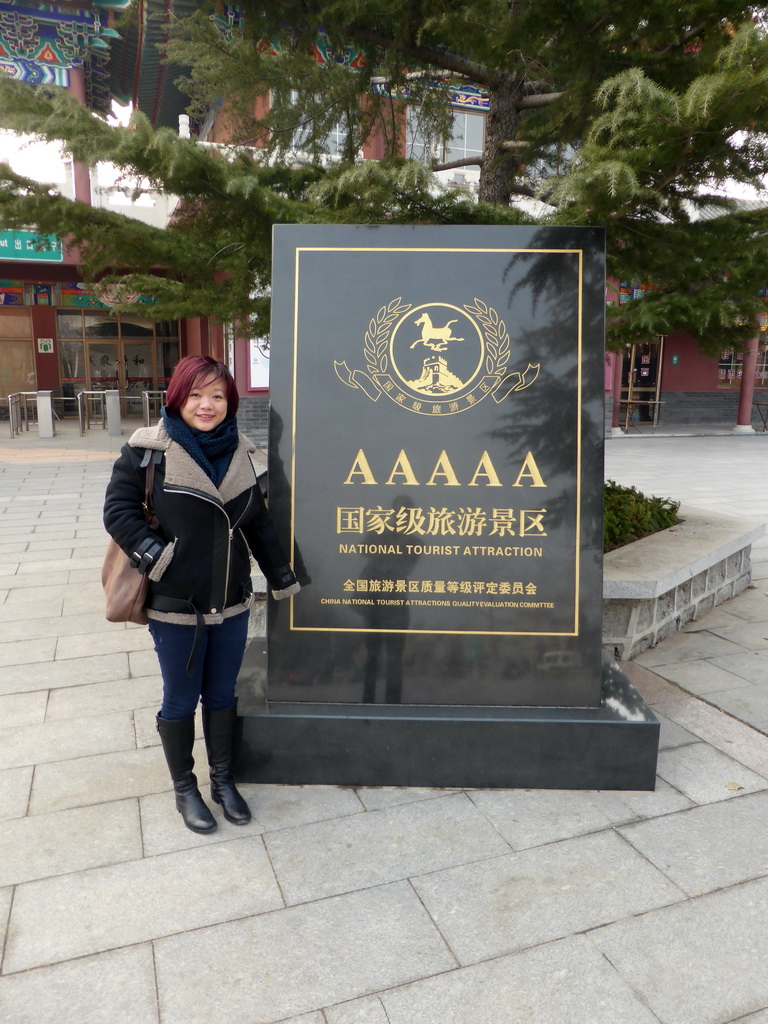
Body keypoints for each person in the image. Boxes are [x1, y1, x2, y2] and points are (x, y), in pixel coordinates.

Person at [103, 355, 300, 834]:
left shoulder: (242, 455)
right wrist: (159, 557)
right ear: (177, 397)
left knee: (221, 694)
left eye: (217, 396)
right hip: (176, 606)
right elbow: (118, 511)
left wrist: (281, 575)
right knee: (180, 698)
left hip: (231, 602)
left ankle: (222, 780)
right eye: (196, 395)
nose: (207, 405)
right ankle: (185, 789)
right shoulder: (146, 453)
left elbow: (259, 526)